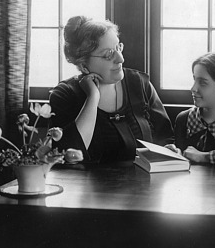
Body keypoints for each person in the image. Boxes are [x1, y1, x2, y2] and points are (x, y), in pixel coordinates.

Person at [49, 16, 174, 163]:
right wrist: (93, 97)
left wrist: (170, 149)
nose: (120, 58)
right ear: (84, 66)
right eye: (108, 54)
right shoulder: (64, 95)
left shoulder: (139, 83)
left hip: (143, 184)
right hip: (84, 185)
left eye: (118, 48)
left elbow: (165, 137)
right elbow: (69, 155)